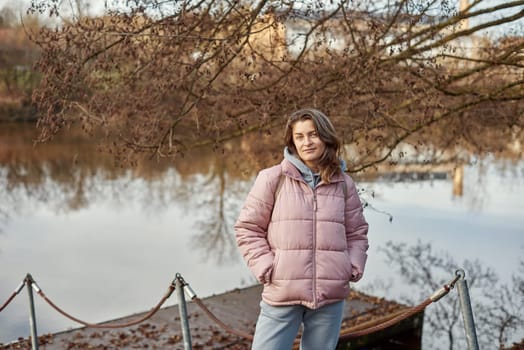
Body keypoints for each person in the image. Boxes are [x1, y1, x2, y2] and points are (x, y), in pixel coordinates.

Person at [234, 108, 369, 350]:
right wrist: (266, 266)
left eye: (313, 134)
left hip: (330, 294)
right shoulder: (272, 178)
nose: (307, 142)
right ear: (292, 142)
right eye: (300, 136)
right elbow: (248, 228)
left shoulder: (344, 184)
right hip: (283, 290)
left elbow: (357, 232)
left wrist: (352, 264)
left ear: (325, 136)